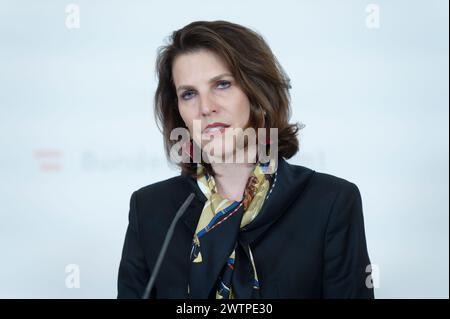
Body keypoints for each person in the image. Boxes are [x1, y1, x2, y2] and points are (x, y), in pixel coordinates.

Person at [117, 20, 374, 299]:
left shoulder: (331, 202)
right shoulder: (150, 209)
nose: (205, 107)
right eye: (189, 93)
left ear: (257, 92)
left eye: (222, 84)